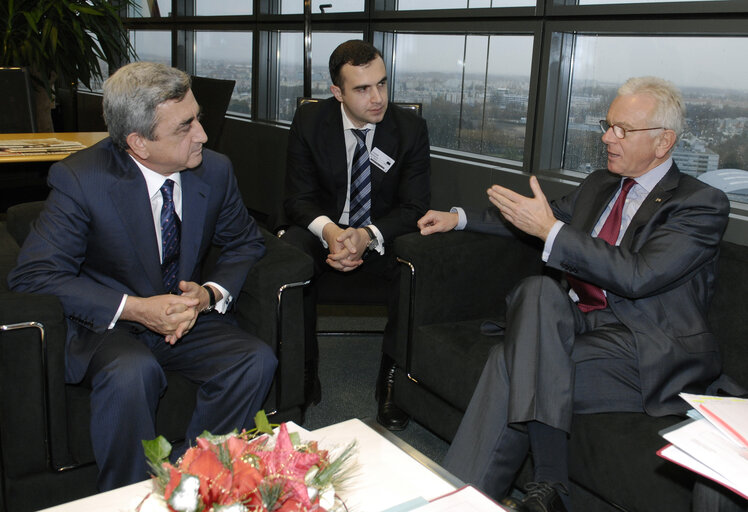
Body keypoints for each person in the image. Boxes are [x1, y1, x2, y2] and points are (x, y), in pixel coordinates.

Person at [417, 76, 730, 511]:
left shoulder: (700, 204)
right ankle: (550, 490)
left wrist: (552, 231)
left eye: (622, 129)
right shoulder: (600, 184)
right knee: (539, 291)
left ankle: (486, 497)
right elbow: (541, 219)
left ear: (663, 142)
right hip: (579, 324)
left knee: (509, 363)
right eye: (608, 124)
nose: (606, 137)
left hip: (643, 348)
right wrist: (461, 219)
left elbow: (639, 275)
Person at [7, 62, 277, 491]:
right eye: (185, 127)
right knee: (135, 373)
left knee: (254, 359)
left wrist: (208, 295)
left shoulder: (214, 170)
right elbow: (35, 275)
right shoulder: (82, 179)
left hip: (185, 316)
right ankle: (126, 495)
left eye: (198, 119)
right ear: (138, 143)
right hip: (108, 325)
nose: (203, 135)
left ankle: (198, 485)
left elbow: (245, 242)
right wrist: (136, 309)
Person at [280, 39, 431, 430]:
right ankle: (303, 370)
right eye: (362, 89)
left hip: (381, 238)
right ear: (337, 92)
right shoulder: (310, 122)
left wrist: (366, 235)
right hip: (324, 233)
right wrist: (331, 231)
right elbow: (297, 200)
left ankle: (393, 380)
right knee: (290, 252)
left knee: (413, 257)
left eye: (381, 84)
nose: (377, 97)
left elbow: (414, 208)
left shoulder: (410, 129)